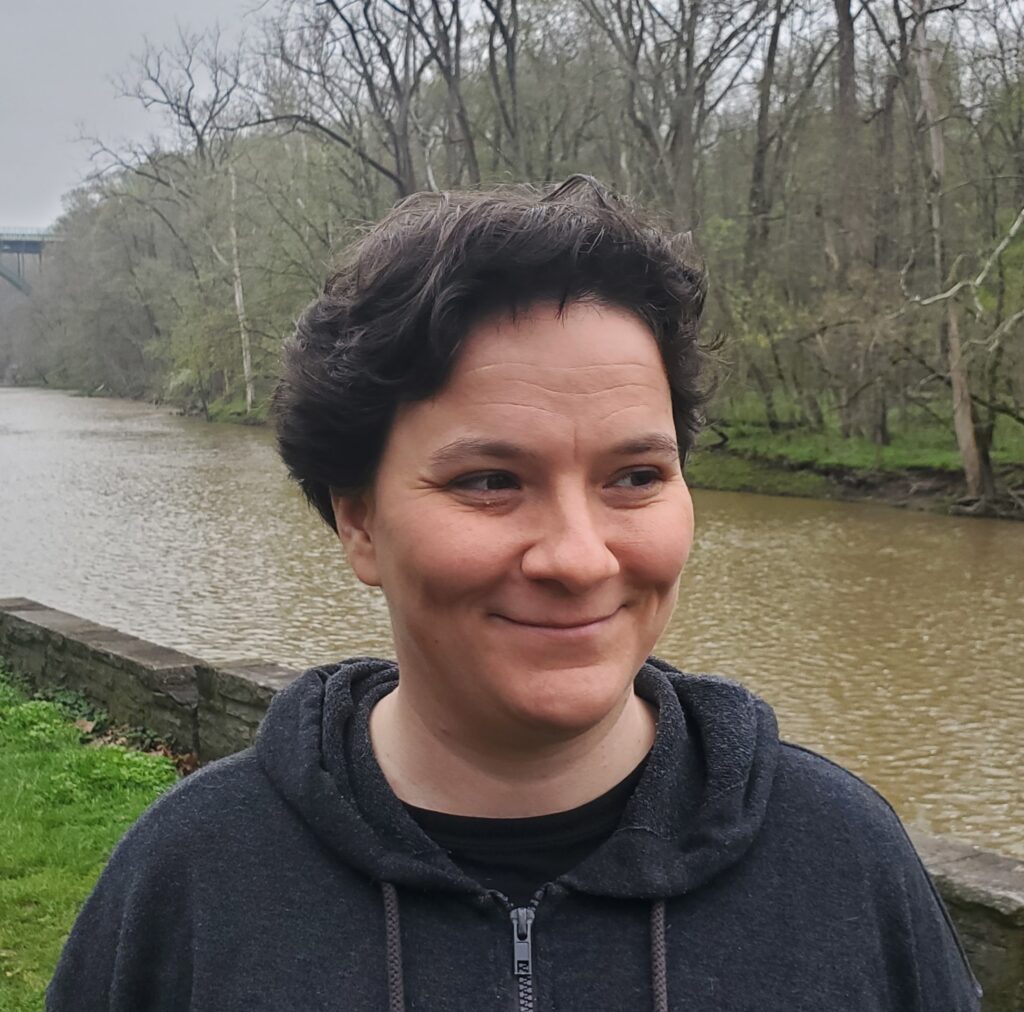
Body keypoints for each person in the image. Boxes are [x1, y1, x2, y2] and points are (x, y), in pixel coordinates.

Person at [47, 178, 981, 1011]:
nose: (578, 558)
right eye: (490, 481)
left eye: (636, 477)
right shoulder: (193, 879)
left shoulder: (842, 863)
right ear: (360, 523)